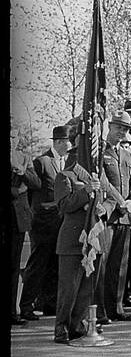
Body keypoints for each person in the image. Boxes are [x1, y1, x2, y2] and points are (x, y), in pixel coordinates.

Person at [18, 125, 72, 321]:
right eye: (67, 141)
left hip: (61, 222)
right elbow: (32, 190)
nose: (70, 145)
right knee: (37, 263)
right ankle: (26, 306)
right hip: (42, 223)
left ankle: (49, 303)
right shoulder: (42, 162)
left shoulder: (67, 163)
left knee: (55, 264)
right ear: (58, 142)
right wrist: (40, 211)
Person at [53, 157, 110, 344]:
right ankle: (62, 330)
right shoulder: (65, 176)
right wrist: (86, 192)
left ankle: (78, 326)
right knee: (69, 288)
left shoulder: (97, 177)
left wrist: (102, 209)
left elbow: (109, 199)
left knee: (88, 288)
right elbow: (64, 205)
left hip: (94, 239)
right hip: (73, 240)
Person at [98, 112, 131, 323]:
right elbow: (103, 181)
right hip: (108, 216)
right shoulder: (99, 152)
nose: (121, 132)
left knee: (120, 266)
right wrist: (120, 201)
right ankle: (100, 311)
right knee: (103, 266)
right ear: (109, 127)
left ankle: (117, 307)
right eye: (118, 128)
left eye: (125, 129)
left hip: (125, 216)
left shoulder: (127, 154)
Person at [10, 152, 40, 322]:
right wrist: (16, 191)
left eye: (15, 136)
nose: (12, 139)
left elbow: (36, 183)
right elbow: (20, 191)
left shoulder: (24, 158)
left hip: (18, 220)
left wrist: (23, 173)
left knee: (15, 267)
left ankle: (13, 313)